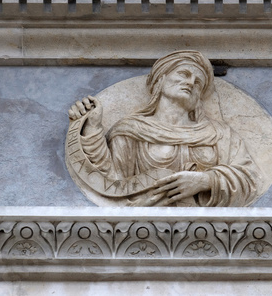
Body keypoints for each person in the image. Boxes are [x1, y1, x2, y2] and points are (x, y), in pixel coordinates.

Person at [68, 50, 261, 207]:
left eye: (198, 82)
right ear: (161, 79)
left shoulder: (220, 135)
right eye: (184, 74)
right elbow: (113, 183)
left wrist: (205, 181)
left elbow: (249, 179)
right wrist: (91, 127)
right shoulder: (130, 130)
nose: (191, 83)